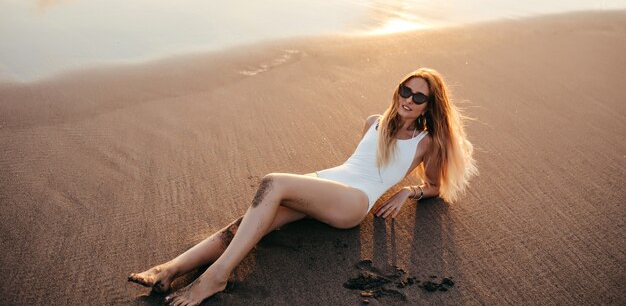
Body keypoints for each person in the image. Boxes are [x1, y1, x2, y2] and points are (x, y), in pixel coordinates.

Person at [128, 67, 477, 306]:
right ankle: (171, 269)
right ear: (397, 90)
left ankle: (216, 276)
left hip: (353, 202)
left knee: (272, 183)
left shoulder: (427, 142)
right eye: (406, 90)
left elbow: (434, 186)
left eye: (419, 98)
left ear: (430, 106)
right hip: (329, 182)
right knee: (247, 223)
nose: (409, 100)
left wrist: (407, 191)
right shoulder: (374, 122)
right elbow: (355, 165)